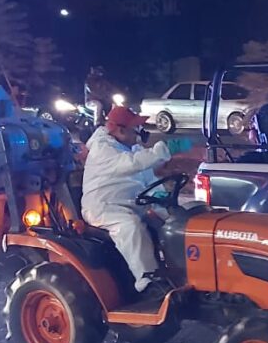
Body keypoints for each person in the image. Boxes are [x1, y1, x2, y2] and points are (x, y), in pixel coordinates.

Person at [81, 106, 193, 296]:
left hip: (132, 202)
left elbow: (147, 178)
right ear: (120, 130)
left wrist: (162, 199)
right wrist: (165, 149)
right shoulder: (103, 149)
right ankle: (149, 281)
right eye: (136, 130)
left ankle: (185, 271)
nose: (140, 134)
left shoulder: (131, 148)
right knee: (130, 227)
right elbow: (133, 163)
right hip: (104, 207)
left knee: (179, 220)